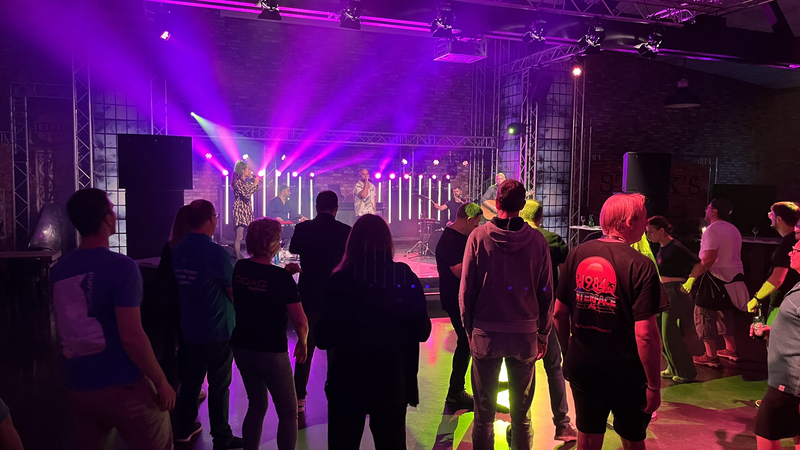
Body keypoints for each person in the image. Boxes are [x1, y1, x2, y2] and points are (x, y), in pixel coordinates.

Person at [52, 188, 175, 450]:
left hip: (77, 385)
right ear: (108, 219)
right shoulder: (122, 267)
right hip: (121, 384)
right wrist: (161, 381)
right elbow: (131, 336)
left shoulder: (59, 269)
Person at [554, 193, 666, 450]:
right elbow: (646, 335)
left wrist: (568, 353)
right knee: (633, 439)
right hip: (626, 371)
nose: (647, 223)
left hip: (583, 364)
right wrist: (654, 385)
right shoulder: (641, 265)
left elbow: (559, 313)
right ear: (629, 221)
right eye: (644, 218)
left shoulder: (578, 254)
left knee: (588, 437)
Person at [316, 214, 431, 449]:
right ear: (388, 241)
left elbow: (323, 337)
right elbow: (422, 331)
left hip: (347, 380)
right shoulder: (403, 276)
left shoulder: (339, 280)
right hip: (391, 380)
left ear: (352, 243)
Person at [460, 179, 554, 450]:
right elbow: (546, 291)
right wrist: (543, 334)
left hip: (485, 334)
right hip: (525, 335)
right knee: (521, 416)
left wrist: (469, 329)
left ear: (496, 203)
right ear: (522, 205)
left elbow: (466, 289)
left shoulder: (478, 237)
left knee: (483, 416)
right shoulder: (537, 240)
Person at [231, 217, 309, 450]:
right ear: (272, 243)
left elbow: (260, 284)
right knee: (288, 411)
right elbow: (300, 321)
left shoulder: (240, 268)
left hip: (243, 346)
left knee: (256, 405)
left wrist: (283, 274)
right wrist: (303, 342)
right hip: (272, 350)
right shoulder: (281, 279)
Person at [172, 200, 242, 450]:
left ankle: (183, 428)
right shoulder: (215, 252)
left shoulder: (178, 248)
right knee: (219, 385)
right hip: (218, 327)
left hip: (191, 325)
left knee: (191, 380)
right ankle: (222, 437)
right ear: (212, 219)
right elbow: (232, 291)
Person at [519, 199, 578, 441]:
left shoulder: (514, 238)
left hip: (521, 314)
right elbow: (567, 276)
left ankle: (521, 425)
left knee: (522, 369)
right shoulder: (552, 239)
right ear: (540, 217)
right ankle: (562, 425)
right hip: (548, 311)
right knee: (554, 367)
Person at [289, 190, 352, 413]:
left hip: (309, 293)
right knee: (335, 348)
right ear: (336, 209)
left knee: (305, 345)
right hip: (335, 296)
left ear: (316, 207)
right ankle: (336, 392)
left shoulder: (303, 228)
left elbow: (293, 249)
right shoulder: (346, 231)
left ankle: (299, 397)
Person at [683, 199, 746, 367]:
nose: (706, 210)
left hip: (714, 277)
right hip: (734, 276)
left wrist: (692, 278)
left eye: (708, 208)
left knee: (703, 313)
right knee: (725, 313)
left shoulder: (712, 230)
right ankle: (731, 349)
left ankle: (710, 356)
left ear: (714, 211)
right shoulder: (733, 229)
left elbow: (708, 259)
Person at [751, 240, 800, 450]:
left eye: (796, 249)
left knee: (766, 428)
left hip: (790, 380)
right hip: (790, 379)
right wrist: (774, 332)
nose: (790, 252)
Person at [434, 202, 482, 410]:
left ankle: (465, 387)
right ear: (469, 220)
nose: (477, 227)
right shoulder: (450, 240)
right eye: (476, 223)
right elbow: (460, 272)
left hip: (460, 298)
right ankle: (456, 391)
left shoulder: (460, 237)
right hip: (455, 299)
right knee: (465, 342)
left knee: (468, 342)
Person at [647, 216, 699, 383]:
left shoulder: (676, 247)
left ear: (661, 230)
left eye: (651, 232)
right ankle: (673, 366)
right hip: (664, 291)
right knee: (660, 331)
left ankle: (686, 372)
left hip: (674, 291)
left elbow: (698, 263)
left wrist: (690, 281)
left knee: (669, 332)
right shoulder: (662, 248)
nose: (649, 235)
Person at [155, 205, 191, 390]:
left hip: (168, 300)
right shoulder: (191, 249)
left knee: (169, 344)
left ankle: (168, 384)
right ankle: (185, 386)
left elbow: (162, 275)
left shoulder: (169, 247)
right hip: (185, 302)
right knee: (186, 345)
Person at [748, 202, 800, 325]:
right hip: (789, 302)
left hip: (781, 304)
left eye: (771, 214)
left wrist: (756, 298)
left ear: (779, 219)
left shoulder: (787, 244)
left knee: (774, 336)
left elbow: (777, 278)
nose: (768, 215)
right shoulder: (793, 241)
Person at [232, 160, 262, 260]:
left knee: (251, 235)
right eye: (248, 169)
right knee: (239, 236)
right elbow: (246, 195)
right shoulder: (238, 182)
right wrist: (254, 184)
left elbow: (256, 189)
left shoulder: (246, 182)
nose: (250, 171)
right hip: (240, 209)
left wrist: (255, 182)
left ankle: (251, 256)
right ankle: (237, 259)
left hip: (248, 210)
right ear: (243, 171)